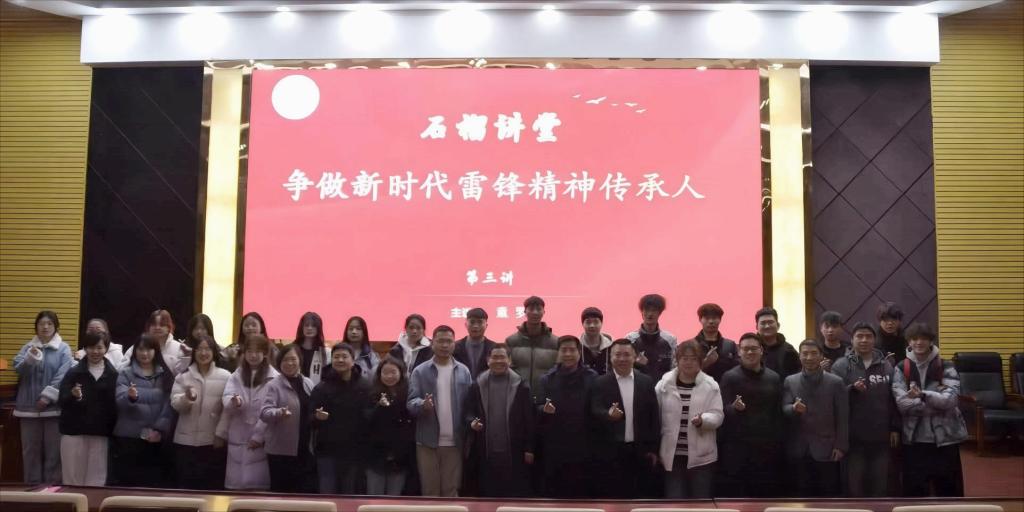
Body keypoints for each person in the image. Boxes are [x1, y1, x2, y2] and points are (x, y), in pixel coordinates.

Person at [893, 322, 967, 497]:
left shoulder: (946, 366)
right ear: (909, 342)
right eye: (914, 339)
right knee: (915, 493)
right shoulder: (901, 367)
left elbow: (950, 401)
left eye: (924, 339)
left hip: (945, 439)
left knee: (948, 492)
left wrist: (922, 395)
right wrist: (935, 400)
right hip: (914, 440)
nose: (919, 342)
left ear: (931, 341)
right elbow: (902, 404)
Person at [831, 322, 900, 497]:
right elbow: (833, 399)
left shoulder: (886, 366)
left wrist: (894, 427)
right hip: (853, 438)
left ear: (874, 340)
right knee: (855, 488)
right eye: (859, 336)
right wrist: (851, 389)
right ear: (852, 340)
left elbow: (893, 398)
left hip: (881, 436)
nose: (864, 340)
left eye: (868, 336)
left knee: (880, 486)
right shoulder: (840, 366)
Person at [590, 339, 661, 498]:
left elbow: (653, 418)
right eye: (617, 355)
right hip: (610, 453)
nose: (622, 359)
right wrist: (608, 414)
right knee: (613, 498)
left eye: (627, 354)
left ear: (635, 357)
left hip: (640, 452)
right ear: (611, 357)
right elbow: (594, 410)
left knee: (639, 497)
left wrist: (654, 449)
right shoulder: (600, 383)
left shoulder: (646, 381)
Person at [407, 325, 473, 497]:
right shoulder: (420, 371)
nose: (445, 345)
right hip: (427, 441)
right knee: (430, 492)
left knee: (451, 491)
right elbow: (411, 402)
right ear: (432, 343)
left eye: (449, 341)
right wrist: (422, 405)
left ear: (454, 344)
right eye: (440, 341)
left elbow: (470, 405)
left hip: (455, 441)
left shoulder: (463, 371)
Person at [718, 333, 784, 497]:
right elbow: (720, 410)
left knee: (765, 497)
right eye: (745, 349)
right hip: (737, 450)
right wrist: (733, 408)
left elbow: (778, 413)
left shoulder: (773, 377)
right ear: (739, 352)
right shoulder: (729, 377)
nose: (749, 352)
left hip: (767, 449)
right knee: (738, 498)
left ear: (761, 350)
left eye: (753, 348)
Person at [465, 344, 536, 497]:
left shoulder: (521, 385)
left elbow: (529, 419)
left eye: (502, 357)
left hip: (514, 450)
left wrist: (529, 448)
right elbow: (469, 412)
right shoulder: (477, 385)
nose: (498, 361)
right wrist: (472, 422)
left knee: (512, 494)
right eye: (495, 357)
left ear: (509, 360)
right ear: (488, 360)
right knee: (488, 493)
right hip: (485, 450)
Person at [656, 340, 724, 499]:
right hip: (672, 456)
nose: (688, 362)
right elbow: (654, 416)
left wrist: (703, 420)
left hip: (702, 457)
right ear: (677, 360)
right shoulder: (664, 385)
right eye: (684, 358)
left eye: (693, 359)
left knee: (701, 504)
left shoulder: (710, 385)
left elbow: (718, 415)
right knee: (675, 503)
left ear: (700, 361)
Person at [782, 339, 849, 497]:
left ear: (821, 356)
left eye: (813, 353)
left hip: (827, 447)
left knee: (828, 495)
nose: (809, 357)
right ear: (799, 356)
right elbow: (784, 407)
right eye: (805, 353)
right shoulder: (790, 380)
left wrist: (841, 445)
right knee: (801, 495)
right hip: (799, 447)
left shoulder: (835, 382)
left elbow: (843, 416)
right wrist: (793, 408)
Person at [13, 310, 72, 484]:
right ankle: (32, 489)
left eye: (49, 323)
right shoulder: (28, 347)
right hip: (27, 408)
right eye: (41, 324)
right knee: (30, 452)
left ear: (56, 327)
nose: (45, 327)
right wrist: (31, 358)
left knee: (53, 453)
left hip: (53, 409)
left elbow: (63, 376)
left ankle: (51, 490)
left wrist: (47, 397)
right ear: (36, 327)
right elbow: (19, 370)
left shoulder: (63, 349)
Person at [535, 335, 597, 498]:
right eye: (564, 350)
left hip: (584, 446)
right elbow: (537, 406)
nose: (568, 354)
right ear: (558, 353)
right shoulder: (547, 379)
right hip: (556, 447)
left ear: (579, 353)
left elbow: (596, 410)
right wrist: (543, 409)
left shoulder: (592, 378)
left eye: (572, 350)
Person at [111, 333, 175, 487]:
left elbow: (169, 406)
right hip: (129, 438)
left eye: (149, 349)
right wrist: (131, 397)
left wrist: (159, 430)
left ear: (155, 351)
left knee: (152, 486)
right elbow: (119, 401)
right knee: (128, 485)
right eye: (140, 349)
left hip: (156, 439)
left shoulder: (165, 375)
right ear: (135, 351)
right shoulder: (125, 373)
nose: (144, 353)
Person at [58, 331, 118, 486]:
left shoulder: (113, 374)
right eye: (91, 347)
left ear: (106, 349)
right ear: (85, 348)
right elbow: (61, 400)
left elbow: (114, 406)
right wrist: (73, 395)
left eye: (99, 347)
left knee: (96, 479)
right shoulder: (73, 372)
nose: (95, 351)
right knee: (72, 478)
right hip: (74, 432)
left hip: (100, 433)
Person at [171, 333, 230, 490]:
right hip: (185, 442)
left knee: (209, 489)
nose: (203, 353)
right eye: (199, 349)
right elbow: (175, 404)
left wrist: (221, 434)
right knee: (186, 489)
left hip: (212, 442)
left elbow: (228, 411)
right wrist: (187, 398)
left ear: (214, 352)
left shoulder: (225, 377)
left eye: (208, 349)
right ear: (194, 352)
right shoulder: (183, 377)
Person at [311, 343, 371, 494]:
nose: (340, 360)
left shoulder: (365, 386)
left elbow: (370, 418)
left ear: (353, 360)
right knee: (327, 491)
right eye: (336, 357)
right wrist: (317, 417)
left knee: (350, 493)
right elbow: (309, 418)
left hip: (354, 450)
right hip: (327, 450)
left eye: (344, 356)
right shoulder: (321, 388)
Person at [221, 334, 277, 491]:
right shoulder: (236, 375)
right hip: (237, 435)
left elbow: (272, 410)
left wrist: (259, 436)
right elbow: (226, 398)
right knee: (235, 490)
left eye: (257, 351)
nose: (253, 355)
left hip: (262, 439)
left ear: (265, 353)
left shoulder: (274, 378)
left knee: (258, 490)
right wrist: (235, 402)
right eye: (249, 351)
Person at [258, 344, 316, 493]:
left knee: (303, 493)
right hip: (281, 450)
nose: (289, 363)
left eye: (293, 359)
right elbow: (264, 413)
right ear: (279, 363)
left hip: (304, 447)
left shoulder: (308, 383)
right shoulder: (273, 385)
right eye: (285, 360)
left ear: (300, 360)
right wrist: (279, 413)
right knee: (281, 494)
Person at [364, 356, 415, 496]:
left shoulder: (408, 394)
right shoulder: (371, 393)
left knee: (394, 497)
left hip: (400, 454)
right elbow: (366, 419)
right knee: (375, 496)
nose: (389, 376)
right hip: (376, 454)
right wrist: (379, 407)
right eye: (385, 372)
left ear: (401, 373)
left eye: (393, 372)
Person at [506, 296, 559, 394]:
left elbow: (558, 370)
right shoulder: (511, 341)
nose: (535, 312)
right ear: (524, 312)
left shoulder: (555, 342)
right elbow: (507, 369)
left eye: (539, 309)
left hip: (545, 395)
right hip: (518, 394)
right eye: (531, 309)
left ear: (544, 312)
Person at [625, 294, 676, 380]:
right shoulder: (630, 339)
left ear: (660, 313)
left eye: (654, 310)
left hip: (663, 386)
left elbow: (674, 369)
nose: (650, 314)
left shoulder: (670, 339)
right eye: (647, 310)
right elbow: (624, 368)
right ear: (642, 312)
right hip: (638, 386)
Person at [684, 303, 739, 382]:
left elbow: (737, 371)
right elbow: (683, 374)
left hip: (724, 388)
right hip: (699, 388)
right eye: (707, 318)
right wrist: (705, 363)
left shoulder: (730, 345)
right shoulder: (689, 346)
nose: (711, 321)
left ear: (720, 320)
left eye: (714, 318)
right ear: (700, 319)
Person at [124, 309, 189, 374]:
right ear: (148, 327)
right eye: (154, 325)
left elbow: (184, 373)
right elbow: (122, 368)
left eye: (162, 325)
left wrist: (187, 357)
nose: (157, 328)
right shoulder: (138, 346)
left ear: (169, 328)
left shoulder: (179, 348)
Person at [453, 308, 497, 380]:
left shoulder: (494, 348)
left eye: (480, 322)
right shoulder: (455, 347)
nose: (476, 326)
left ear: (486, 325)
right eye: (472, 322)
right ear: (466, 324)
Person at [756, 307, 800, 378]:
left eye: (770, 322)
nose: (767, 326)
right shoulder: (750, 349)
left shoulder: (789, 350)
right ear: (756, 327)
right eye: (763, 323)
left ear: (778, 325)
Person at [293, 311, 329, 385]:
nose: (309, 328)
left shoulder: (326, 352)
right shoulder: (292, 349)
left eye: (313, 326)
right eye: (306, 325)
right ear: (301, 328)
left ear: (318, 328)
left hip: (317, 389)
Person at [579, 307, 613, 375]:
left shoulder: (611, 346)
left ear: (601, 323)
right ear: (582, 324)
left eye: (596, 322)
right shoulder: (577, 346)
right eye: (588, 322)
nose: (592, 325)